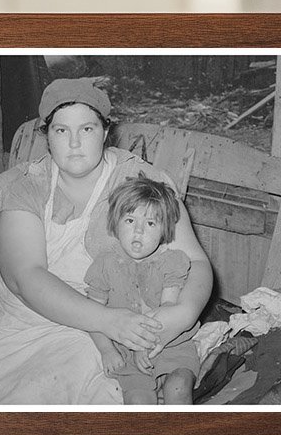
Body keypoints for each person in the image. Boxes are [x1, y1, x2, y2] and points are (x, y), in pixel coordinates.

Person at [0, 78, 212, 405]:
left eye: (86, 129)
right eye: (61, 131)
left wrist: (181, 314)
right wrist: (108, 321)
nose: (74, 143)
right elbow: (25, 278)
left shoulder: (142, 182)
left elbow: (194, 261)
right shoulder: (27, 189)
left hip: (103, 327)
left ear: (106, 132)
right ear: (46, 136)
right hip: (28, 315)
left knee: (79, 395)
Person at [85, 174, 200, 405]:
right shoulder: (104, 265)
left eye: (150, 224)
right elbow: (92, 315)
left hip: (170, 342)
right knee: (138, 402)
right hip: (126, 349)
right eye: (130, 221)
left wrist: (146, 348)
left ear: (164, 230)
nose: (139, 232)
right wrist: (107, 350)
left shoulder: (172, 262)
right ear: (115, 224)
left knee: (178, 386)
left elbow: (166, 313)